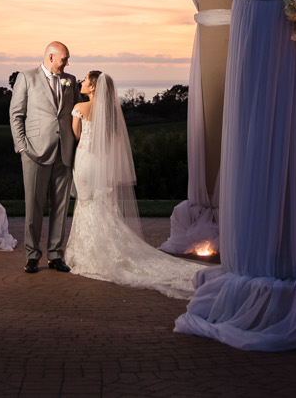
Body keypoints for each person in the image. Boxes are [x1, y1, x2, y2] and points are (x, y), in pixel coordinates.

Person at [64, 71, 207, 299]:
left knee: (86, 202)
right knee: (102, 204)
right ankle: (106, 247)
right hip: (102, 163)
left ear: (93, 88)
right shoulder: (110, 112)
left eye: (85, 80)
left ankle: (90, 253)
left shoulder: (81, 108)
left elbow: (77, 134)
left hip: (84, 161)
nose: (81, 82)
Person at [8, 40, 80, 273]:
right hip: (34, 152)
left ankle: (56, 255)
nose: (67, 62)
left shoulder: (71, 80)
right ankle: (32, 256)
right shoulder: (26, 78)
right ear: (50, 57)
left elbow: (75, 112)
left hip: (64, 151)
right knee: (34, 206)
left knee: (60, 207)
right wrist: (22, 147)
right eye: (64, 58)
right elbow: (16, 114)